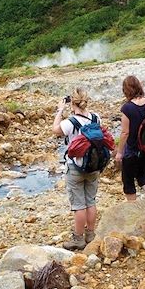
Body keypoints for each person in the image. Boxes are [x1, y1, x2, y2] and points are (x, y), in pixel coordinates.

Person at [53, 88, 102, 250]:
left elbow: (55, 130)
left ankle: (78, 239)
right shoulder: (96, 118)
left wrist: (60, 110)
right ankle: (91, 234)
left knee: (79, 205)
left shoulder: (70, 122)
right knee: (91, 201)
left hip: (75, 167)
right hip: (94, 166)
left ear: (72, 103)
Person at [115, 75, 145, 200]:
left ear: (126, 90)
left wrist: (119, 153)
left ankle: (132, 209)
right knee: (142, 175)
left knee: (128, 180)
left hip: (132, 151)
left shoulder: (127, 108)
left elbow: (125, 133)